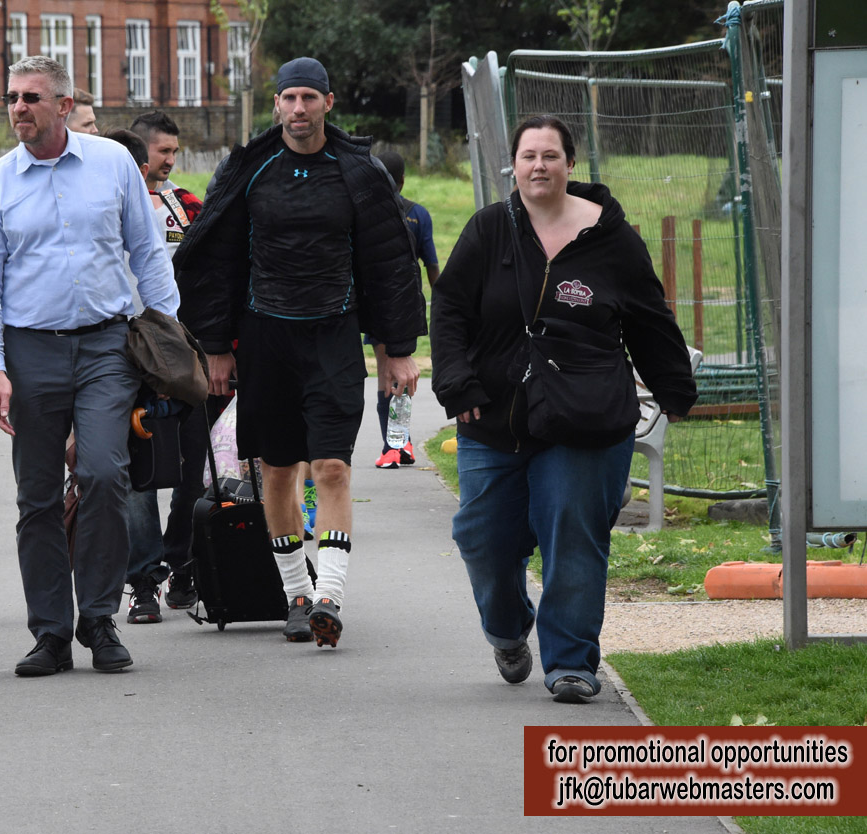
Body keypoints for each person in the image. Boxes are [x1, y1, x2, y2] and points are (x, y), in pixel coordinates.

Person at [430, 114, 697, 702]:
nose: (539, 166)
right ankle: (506, 628)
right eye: (529, 156)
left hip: (585, 419)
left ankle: (572, 662)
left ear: (570, 165)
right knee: (482, 538)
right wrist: (457, 384)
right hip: (491, 416)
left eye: (550, 155)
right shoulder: (488, 231)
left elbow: (650, 323)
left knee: (573, 536)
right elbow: (449, 310)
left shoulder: (613, 241)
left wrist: (674, 391)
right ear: (515, 166)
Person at [173, 57, 426, 648]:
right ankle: (296, 596)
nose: (298, 109)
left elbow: (389, 264)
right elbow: (217, 261)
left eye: (310, 98)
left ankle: (331, 594)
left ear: (328, 104)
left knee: (333, 466)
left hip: (334, 336)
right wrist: (215, 348)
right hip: (266, 338)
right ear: (277, 104)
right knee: (278, 471)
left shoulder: (359, 172)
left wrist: (397, 350)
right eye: (289, 98)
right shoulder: (250, 167)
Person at [0, 57, 178, 677]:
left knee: (105, 473)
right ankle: (50, 632)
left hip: (107, 346)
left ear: (64, 103)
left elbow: (147, 250)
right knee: (36, 498)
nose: (18, 108)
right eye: (11, 97)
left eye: (31, 97)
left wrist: (164, 334)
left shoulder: (110, 164)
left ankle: (100, 618)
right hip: (30, 352)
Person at [118, 113, 207, 623]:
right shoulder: (106, 204)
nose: (168, 161)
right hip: (127, 348)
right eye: (161, 151)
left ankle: (184, 561)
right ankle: (144, 578)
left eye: (175, 152)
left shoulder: (188, 205)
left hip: (181, 351)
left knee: (193, 467)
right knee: (138, 467)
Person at [372, 150, 439, 469]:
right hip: (409, 303)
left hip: (376, 303)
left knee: (386, 373)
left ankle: (393, 445)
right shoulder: (419, 214)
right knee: (401, 375)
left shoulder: (366, 213)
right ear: (402, 181)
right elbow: (433, 268)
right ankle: (401, 443)